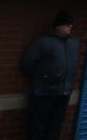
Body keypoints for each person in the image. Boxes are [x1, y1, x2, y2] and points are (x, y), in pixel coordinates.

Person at [21, 10, 79, 140]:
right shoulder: (43, 42)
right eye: (66, 23)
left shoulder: (73, 43)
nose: (70, 26)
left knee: (55, 127)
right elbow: (28, 64)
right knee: (37, 128)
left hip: (63, 93)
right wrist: (43, 78)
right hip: (43, 93)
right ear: (57, 26)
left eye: (71, 24)